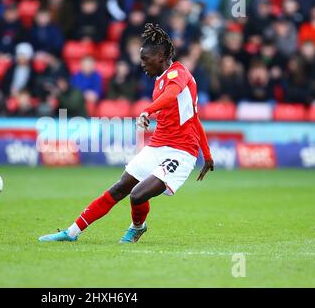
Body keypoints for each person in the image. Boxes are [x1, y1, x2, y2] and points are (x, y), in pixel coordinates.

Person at [39, 23, 214, 243]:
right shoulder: (160, 81)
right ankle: (71, 232)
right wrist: (207, 156)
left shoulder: (178, 74)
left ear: (160, 56)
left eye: (145, 59)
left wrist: (148, 110)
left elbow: (172, 96)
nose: (142, 64)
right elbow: (194, 118)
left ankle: (137, 227)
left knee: (138, 194)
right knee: (120, 187)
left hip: (180, 153)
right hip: (157, 146)